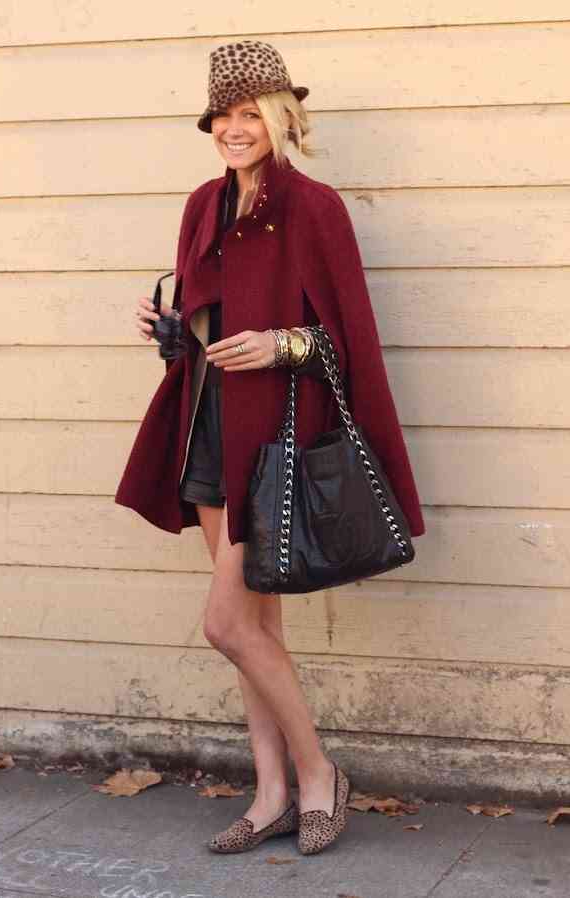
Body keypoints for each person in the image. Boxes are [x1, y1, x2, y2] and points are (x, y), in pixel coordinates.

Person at [119, 39, 425, 856]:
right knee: (258, 629)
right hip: (206, 428)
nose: (234, 127)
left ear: (281, 118)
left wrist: (280, 344)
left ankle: (320, 773)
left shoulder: (314, 207)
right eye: (222, 114)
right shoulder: (202, 205)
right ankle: (271, 794)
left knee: (227, 624)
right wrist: (169, 329)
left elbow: (348, 340)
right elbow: (201, 329)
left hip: (273, 443)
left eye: (250, 112)